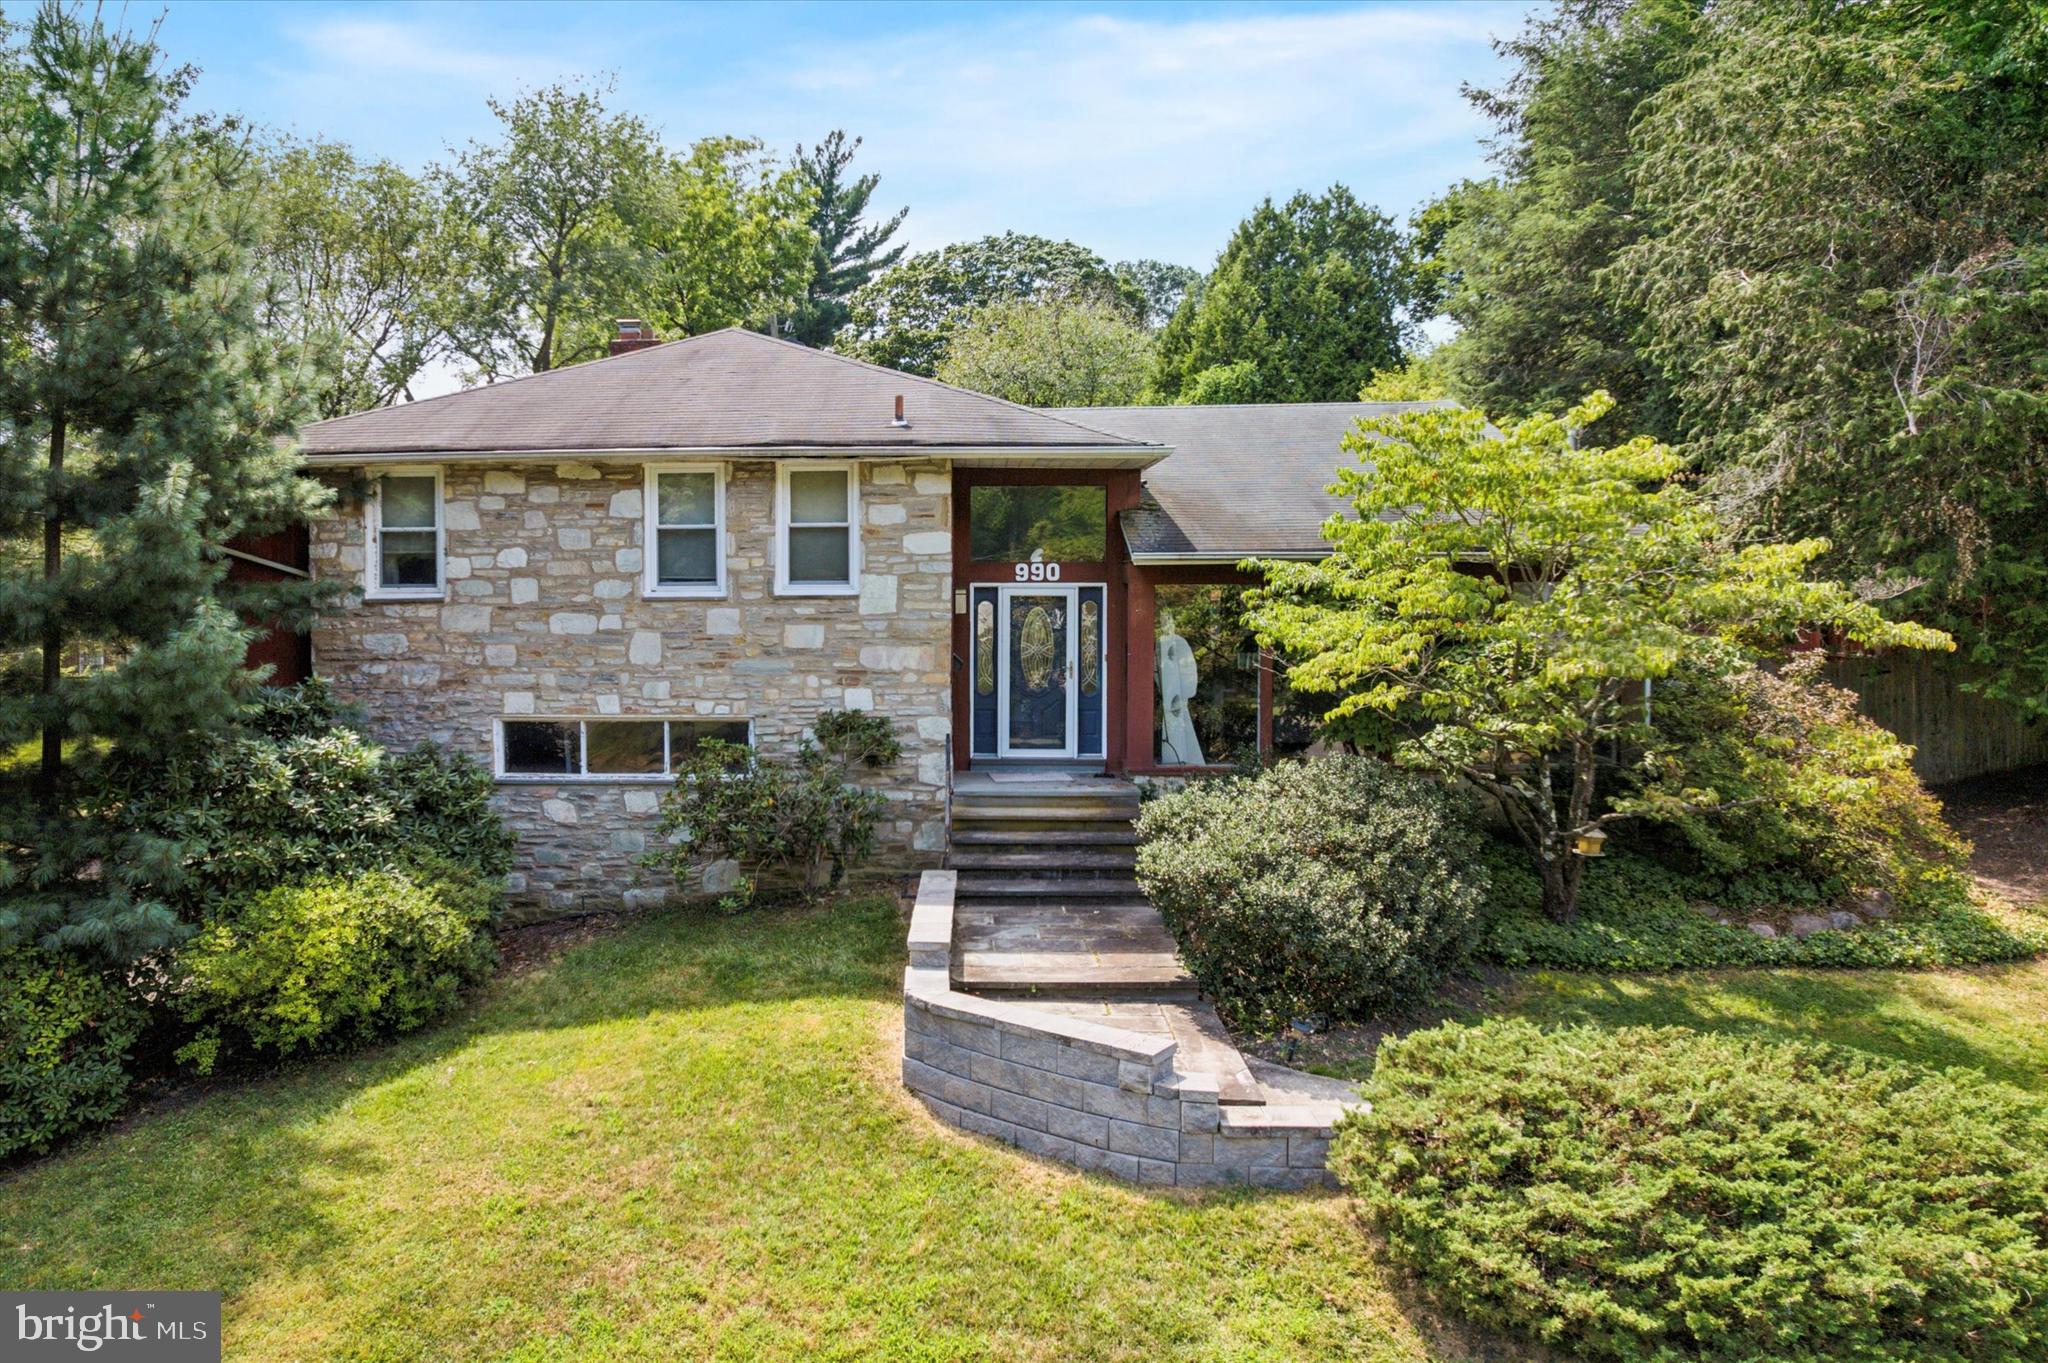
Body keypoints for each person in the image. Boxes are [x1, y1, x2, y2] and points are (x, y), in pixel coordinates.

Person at [1156, 611, 1204, 764]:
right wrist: (1161, 686)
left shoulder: (1180, 642)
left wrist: (1187, 690)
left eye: (1168, 621)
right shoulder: (1160, 642)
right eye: (1163, 621)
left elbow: (1189, 666)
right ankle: (1171, 756)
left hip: (1178, 691)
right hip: (1167, 690)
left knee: (1179, 720)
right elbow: (1157, 667)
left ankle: (1184, 756)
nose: (1165, 625)